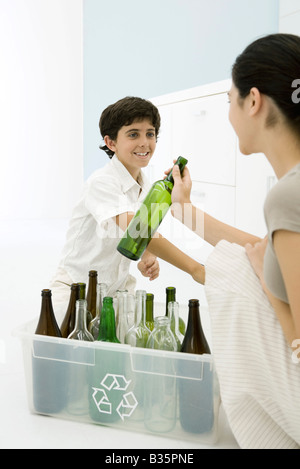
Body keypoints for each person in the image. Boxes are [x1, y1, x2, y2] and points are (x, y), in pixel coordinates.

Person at [168, 34, 300, 449]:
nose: (228, 114)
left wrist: (269, 292)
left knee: (236, 271)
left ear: (254, 101)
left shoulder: (287, 194)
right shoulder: (292, 192)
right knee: (246, 261)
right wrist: (184, 210)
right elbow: (269, 249)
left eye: (230, 101)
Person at [50, 96, 204, 311]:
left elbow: (144, 236)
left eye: (150, 134)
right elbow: (138, 230)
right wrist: (195, 268)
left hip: (116, 291)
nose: (144, 142)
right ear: (110, 142)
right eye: (133, 134)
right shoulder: (102, 182)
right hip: (77, 290)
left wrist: (147, 256)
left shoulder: (149, 187)